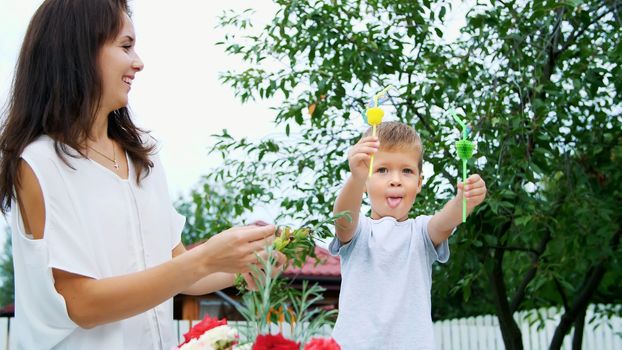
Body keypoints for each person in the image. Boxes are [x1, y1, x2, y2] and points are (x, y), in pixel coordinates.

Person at [0, 1, 282, 349]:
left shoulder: (142, 156)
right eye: (125, 46)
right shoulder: (40, 163)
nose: (139, 62)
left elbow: (176, 268)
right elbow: (80, 302)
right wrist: (204, 258)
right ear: (78, 50)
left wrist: (245, 265)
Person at [329, 121, 487, 349]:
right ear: (366, 181)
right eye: (382, 170)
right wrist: (356, 179)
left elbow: (444, 223)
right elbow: (343, 221)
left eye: (407, 171)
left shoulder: (421, 232)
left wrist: (463, 202)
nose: (396, 180)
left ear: (419, 182)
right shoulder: (360, 230)